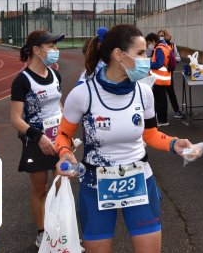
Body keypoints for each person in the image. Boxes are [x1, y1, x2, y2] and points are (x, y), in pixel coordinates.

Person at [54, 24, 193, 253]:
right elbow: (63, 134)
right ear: (119, 55)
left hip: (138, 179)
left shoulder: (144, 92)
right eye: (140, 53)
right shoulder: (83, 94)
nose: (146, 58)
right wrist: (65, 153)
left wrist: (173, 143)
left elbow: (150, 134)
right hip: (96, 182)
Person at [10, 30, 65, 248]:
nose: (55, 51)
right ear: (37, 50)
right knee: (40, 189)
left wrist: (66, 130)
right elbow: (15, 119)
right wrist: (38, 136)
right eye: (51, 46)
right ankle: (42, 232)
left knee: (62, 185)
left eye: (55, 46)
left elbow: (58, 105)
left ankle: (62, 228)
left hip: (59, 138)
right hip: (36, 141)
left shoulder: (55, 75)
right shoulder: (21, 81)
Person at [158, 29, 185, 120]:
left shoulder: (172, 45)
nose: (160, 37)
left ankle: (177, 111)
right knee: (160, 96)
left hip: (169, 74)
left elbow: (178, 58)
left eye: (162, 35)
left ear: (167, 36)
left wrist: (171, 59)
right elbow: (150, 56)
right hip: (157, 75)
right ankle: (159, 116)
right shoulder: (156, 45)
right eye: (159, 35)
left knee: (171, 93)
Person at [150, 32, 173, 126]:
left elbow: (159, 63)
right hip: (163, 76)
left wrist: (147, 64)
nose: (149, 45)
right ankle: (162, 119)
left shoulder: (159, 48)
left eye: (149, 43)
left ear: (152, 41)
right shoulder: (164, 46)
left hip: (159, 77)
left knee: (160, 100)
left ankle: (162, 120)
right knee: (161, 99)